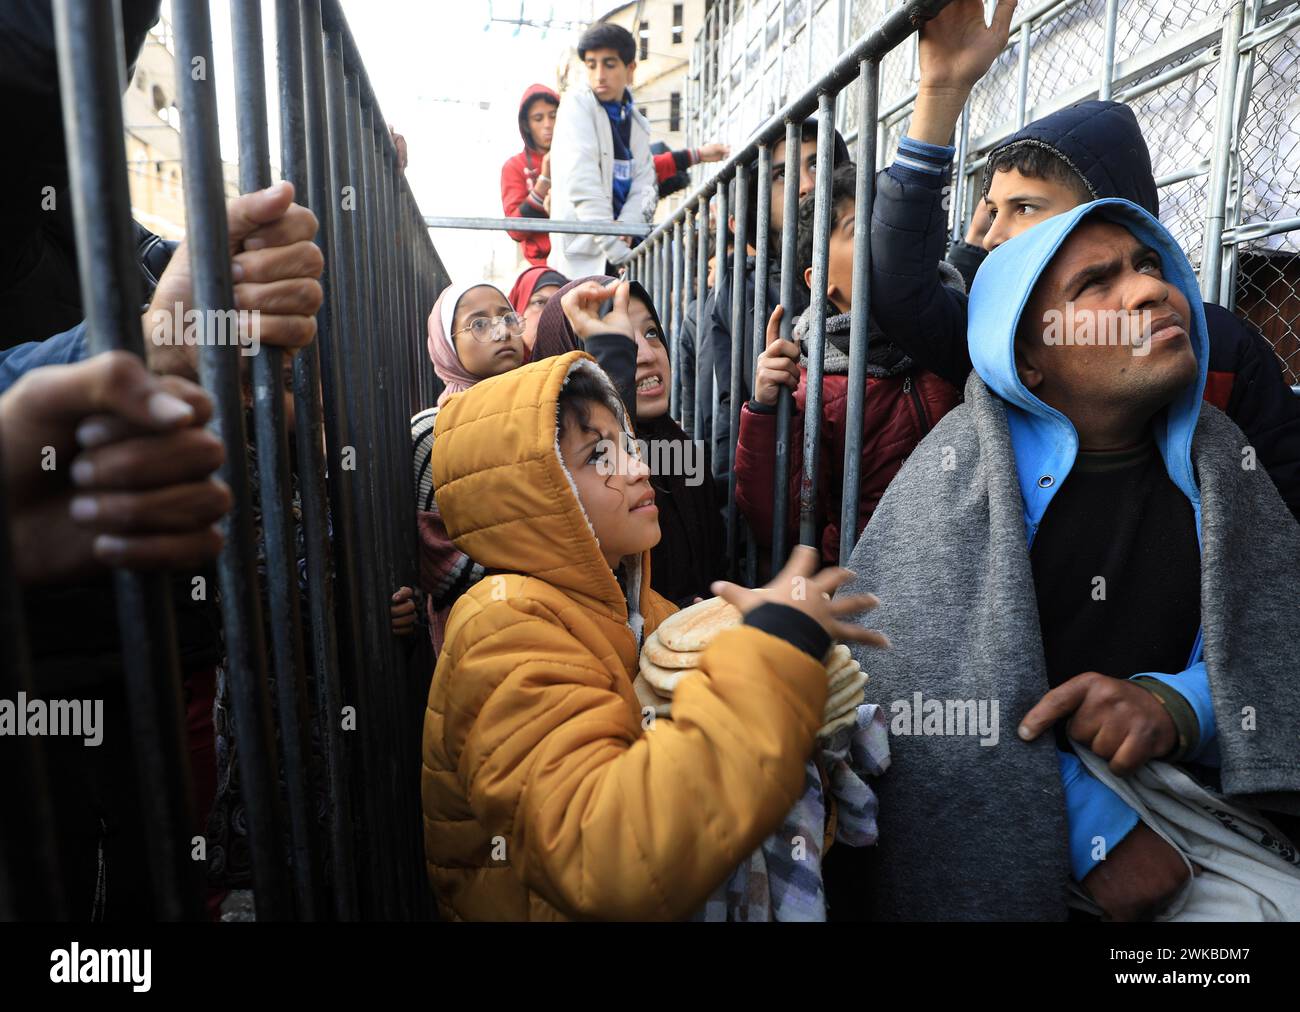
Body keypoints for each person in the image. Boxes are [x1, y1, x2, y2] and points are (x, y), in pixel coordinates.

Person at [843, 197, 1300, 921]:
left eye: (1151, 265)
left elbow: (1280, 651)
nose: (1151, 290)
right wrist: (1095, 830)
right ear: (1027, 354)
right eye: (1097, 283)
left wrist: (1178, 706)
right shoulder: (958, 473)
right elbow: (897, 700)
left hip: (1211, 814)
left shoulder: (1222, 458)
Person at [420, 349, 885, 920]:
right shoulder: (503, 631)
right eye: (599, 457)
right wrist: (773, 653)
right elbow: (606, 856)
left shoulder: (645, 609)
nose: (639, 468)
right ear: (535, 498)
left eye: (627, 446)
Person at [869, 0, 1300, 520]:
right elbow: (901, 294)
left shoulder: (1223, 346)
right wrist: (941, 93)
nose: (992, 238)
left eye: (1024, 209)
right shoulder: (1011, 334)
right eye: (990, 214)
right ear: (1025, 367)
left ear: (1108, 215)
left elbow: (1283, 507)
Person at [735, 164, 963, 564]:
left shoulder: (959, 329)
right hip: (868, 593)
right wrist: (766, 411)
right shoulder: (812, 386)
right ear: (820, 279)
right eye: (862, 228)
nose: (889, 236)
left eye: (891, 221)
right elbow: (775, 523)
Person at [533, 276, 726, 605]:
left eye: (651, 332)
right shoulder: (556, 470)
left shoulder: (681, 450)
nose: (647, 354)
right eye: (622, 343)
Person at [706, 117, 851, 482]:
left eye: (817, 164)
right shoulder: (742, 291)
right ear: (759, 198)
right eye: (781, 175)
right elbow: (727, 412)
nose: (806, 185)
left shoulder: (874, 263)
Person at [410, 281, 529, 656]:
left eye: (508, 317)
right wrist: (523, 579)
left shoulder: (541, 414)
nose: (501, 330)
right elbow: (434, 552)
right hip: (477, 626)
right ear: (447, 345)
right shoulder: (432, 430)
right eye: (478, 324)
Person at [548, 22, 657, 278]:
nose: (599, 75)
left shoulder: (638, 124)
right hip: (585, 255)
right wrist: (616, 247)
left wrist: (628, 227)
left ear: (630, 70)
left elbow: (645, 184)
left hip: (625, 250)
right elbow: (582, 181)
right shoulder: (576, 105)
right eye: (591, 64)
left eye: (609, 64)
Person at [501, 83, 561, 267]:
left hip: (584, 259)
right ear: (526, 125)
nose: (548, 125)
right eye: (538, 118)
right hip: (540, 269)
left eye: (553, 116)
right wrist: (544, 182)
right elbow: (514, 230)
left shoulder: (581, 159)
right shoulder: (514, 166)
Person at [508, 264, 568, 352]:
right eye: (539, 303)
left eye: (559, 305)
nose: (551, 314)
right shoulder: (496, 364)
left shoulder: (582, 362)